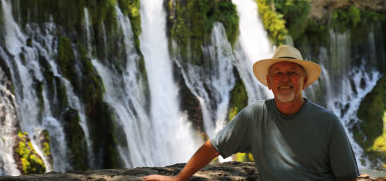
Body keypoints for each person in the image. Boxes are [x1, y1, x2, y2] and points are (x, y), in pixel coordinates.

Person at [143, 45, 359, 181]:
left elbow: (348, 177)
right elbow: (214, 147)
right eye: (278, 73)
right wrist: (179, 178)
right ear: (269, 82)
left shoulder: (328, 123)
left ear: (304, 82)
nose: (285, 79)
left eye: (293, 73)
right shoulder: (256, 115)